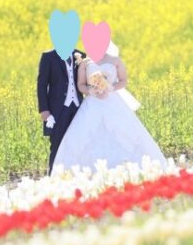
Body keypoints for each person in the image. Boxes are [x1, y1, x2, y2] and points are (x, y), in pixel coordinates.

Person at [51, 42, 165, 175]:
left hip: (113, 101)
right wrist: (92, 91)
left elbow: (123, 81)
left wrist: (109, 88)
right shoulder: (85, 63)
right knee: (86, 133)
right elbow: (81, 85)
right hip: (92, 103)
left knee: (123, 130)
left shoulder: (115, 60)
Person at [36, 46, 85, 174]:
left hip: (78, 108)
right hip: (57, 110)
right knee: (57, 144)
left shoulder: (80, 55)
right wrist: (44, 109)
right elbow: (41, 85)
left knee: (79, 145)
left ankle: (77, 176)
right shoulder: (48, 56)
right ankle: (53, 177)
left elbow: (84, 81)